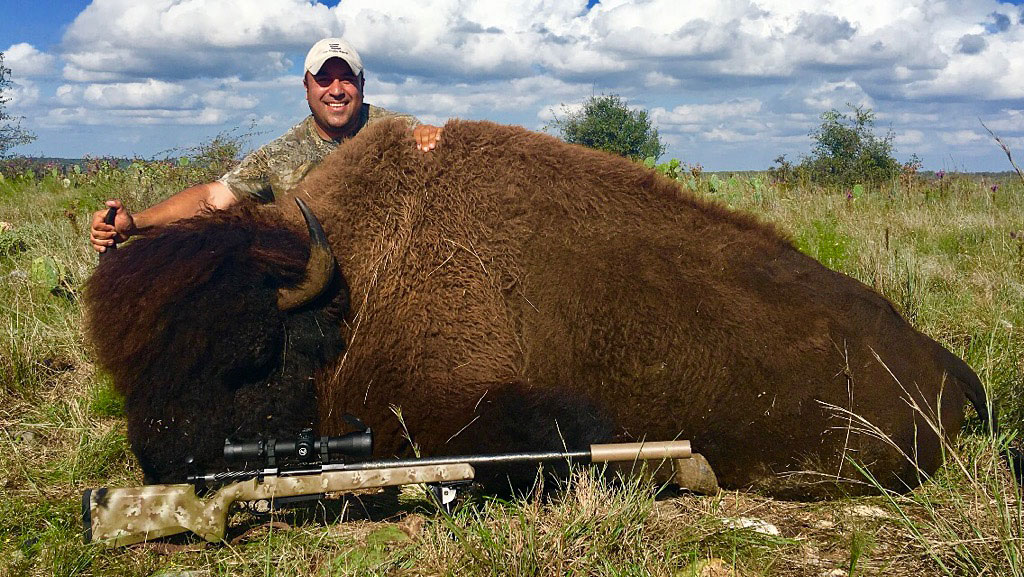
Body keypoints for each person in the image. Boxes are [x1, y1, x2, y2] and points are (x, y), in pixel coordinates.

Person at [90, 37, 442, 253]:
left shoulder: (399, 130)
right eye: (323, 79)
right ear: (306, 87)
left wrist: (430, 138)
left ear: (362, 84)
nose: (336, 90)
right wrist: (136, 223)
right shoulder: (280, 155)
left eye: (346, 79)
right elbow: (214, 198)